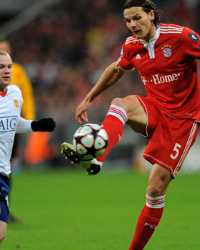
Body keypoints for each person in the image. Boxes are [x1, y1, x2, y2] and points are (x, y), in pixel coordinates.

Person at [61, 0, 200, 249]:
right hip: (154, 109)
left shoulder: (181, 36)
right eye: (127, 21)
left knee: (155, 190)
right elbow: (116, 70)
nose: (132, 25)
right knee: (120, 103)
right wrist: (88, 98)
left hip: (184, 119)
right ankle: (97, 156)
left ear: (151, 15)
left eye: (137, 18)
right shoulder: (131, 45)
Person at [0, 50, 56, 242]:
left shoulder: (15, 93)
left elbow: (12, 123)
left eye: (9, 66)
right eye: (1, 67)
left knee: (1, 234)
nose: (7, 70)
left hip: (3, 172)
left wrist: (35, 126)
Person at [0, 38, 36, 223]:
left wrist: (30, 122)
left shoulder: (19, 72)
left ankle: (5, 207)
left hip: (12, 127)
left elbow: (27, 96)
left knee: (7, 166)